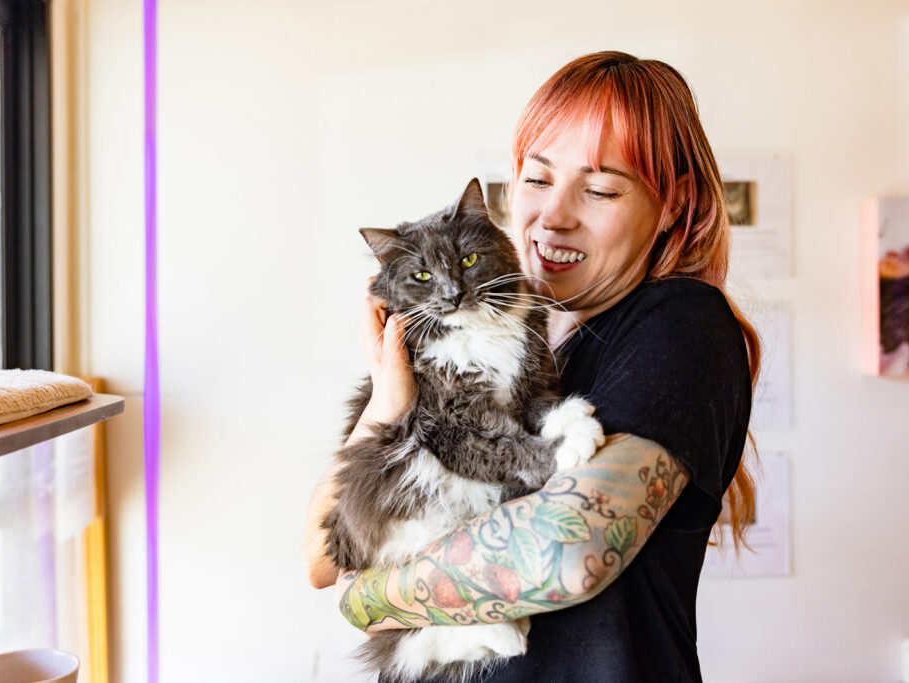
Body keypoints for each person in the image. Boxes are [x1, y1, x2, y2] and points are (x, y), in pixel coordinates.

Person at [303, 51, 759, 682]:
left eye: (599, 189)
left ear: (674, 204)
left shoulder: (681, 321)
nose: (554, 216)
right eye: (537, 179)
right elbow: (322, 558)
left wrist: (366, 596)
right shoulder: (532, 344)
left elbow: (564, 549)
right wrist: (388, 399)